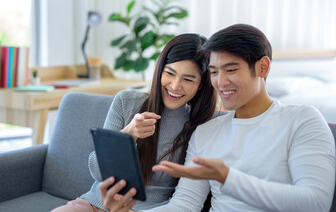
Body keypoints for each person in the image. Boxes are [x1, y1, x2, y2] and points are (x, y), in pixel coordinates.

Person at [100, 24, 336, 212]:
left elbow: (315, 204)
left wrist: (227, 177)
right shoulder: (206, 131)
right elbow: (185, 205)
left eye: (231, 70)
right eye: (214, 72)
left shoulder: (302, 121)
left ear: (262, 68)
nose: (220, 82)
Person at [51, 33, 217, 212]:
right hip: (95, 204)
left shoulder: (203, 125)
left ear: (201, 84)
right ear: (160, 70)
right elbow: (98, 172)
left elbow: (186, 200)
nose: (175, 86)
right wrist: (128, 134)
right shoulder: (126, 101)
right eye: (170, 73)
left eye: (188, 79)